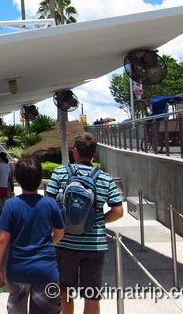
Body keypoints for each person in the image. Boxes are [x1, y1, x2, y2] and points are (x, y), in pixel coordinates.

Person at [45, 133, 124, 314]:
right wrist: (98, 220)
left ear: (75, 152)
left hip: (65, 243)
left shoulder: (60, 173)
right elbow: (118, 212)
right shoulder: (105, 178)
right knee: (91, 295)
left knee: (64, 290)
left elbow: (48, 206)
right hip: (95, 245)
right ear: (94, 154)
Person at [0, 156, 65, 314]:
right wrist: (48, 244)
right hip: (46, 270)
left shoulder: (11, 205)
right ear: (40, 179)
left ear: (17, 178)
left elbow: (2, 239)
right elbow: (59, 233)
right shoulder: (50, 204)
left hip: (18, 270)